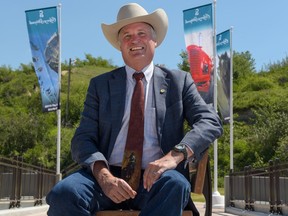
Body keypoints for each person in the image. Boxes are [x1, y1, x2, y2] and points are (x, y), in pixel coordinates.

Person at [46, 3, 223, 216]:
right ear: (120, 44)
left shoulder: (179, 81)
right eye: (127, 36)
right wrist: (104, 177)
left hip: (157, 179)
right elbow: (82, 139)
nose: (134, 40)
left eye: (142, 33)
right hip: (107, 178)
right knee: (63, 194)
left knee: (175, 185)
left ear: (155, 40)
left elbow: (210, 122)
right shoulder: (100, 86)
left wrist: (174, 156)